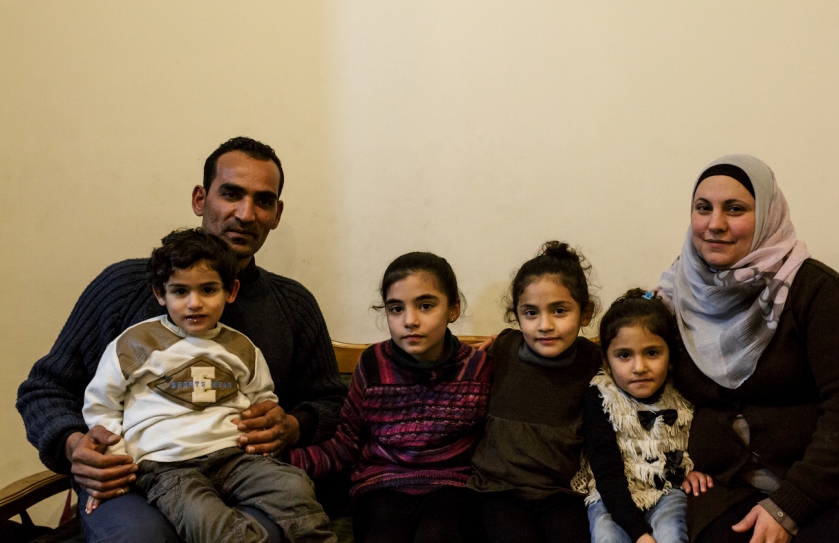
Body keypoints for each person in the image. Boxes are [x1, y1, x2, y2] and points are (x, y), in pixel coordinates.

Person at [17, 137, 347, 543]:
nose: (245, 214)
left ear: (276, 214)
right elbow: (43, 389)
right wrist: (73, 446)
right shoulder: (122, 288)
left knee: (265, 533)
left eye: (263, 201)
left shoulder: (293, 304)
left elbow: (333, 401)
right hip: (136, 474)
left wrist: (294, 425)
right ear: (199, 198)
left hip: (240, 471)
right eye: (231, 194)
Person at [656, 154, 839, 543]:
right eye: (703, 208)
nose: (715, 224)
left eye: (735, 209)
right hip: (730, 486)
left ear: (767, 214)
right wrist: (683, 466)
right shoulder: (677, 299)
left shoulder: (822, 295)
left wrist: (789, 506)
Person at [83, 228, 334, 542]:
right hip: (166, 466)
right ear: (160, 293)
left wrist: (266, 434)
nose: (194, 303)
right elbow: (101, 405)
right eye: (179, 291)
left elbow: (263, 402)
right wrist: (116, 458)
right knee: (208, 520)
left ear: (231, 291)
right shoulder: (134, 344)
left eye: (208, 290)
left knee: (293, 486)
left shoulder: (241, 348)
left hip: (235, 459)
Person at [286, 252, 492, 543]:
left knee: (440, 535)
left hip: (453, 486)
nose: (410, 321)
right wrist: (281, 459)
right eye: (396, 309)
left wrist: (510, 343)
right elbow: (346, 444)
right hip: (382, 485)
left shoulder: (478, 368)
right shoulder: (372, 364)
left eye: (425, 305)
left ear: (453, 308)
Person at [467, 241, 602, 543]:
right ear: (516, 314)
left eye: (559, 310)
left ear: (586, 313)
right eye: (530, 313)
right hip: (498, 491)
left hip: (563, 494)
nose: (545, 325)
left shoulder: (594, 361)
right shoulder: (503, 348)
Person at [572, 288, 712, 543]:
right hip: (611, 496)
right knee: (607, 537)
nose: (639, 367)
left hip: (667, 491)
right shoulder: (601, 396)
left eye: (652, 353)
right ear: (607, 360)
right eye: (624, 355)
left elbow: (694, 439)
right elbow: (607, 472)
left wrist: (692, 470)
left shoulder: (681, 393)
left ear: (671, 357)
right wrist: (640, 534)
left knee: (671, 535)